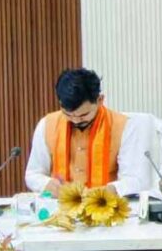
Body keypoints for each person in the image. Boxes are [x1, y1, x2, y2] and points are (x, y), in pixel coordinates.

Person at [25, 68, 148, 197]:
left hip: (105, 204)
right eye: (68, 114)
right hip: (59, 204)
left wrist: (112, 189)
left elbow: (134, 179)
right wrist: (46, 183)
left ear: (100, 100)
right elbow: (32, 174)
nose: (76, 120)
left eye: (83, 115)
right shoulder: (47, 124)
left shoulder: (125, 127)